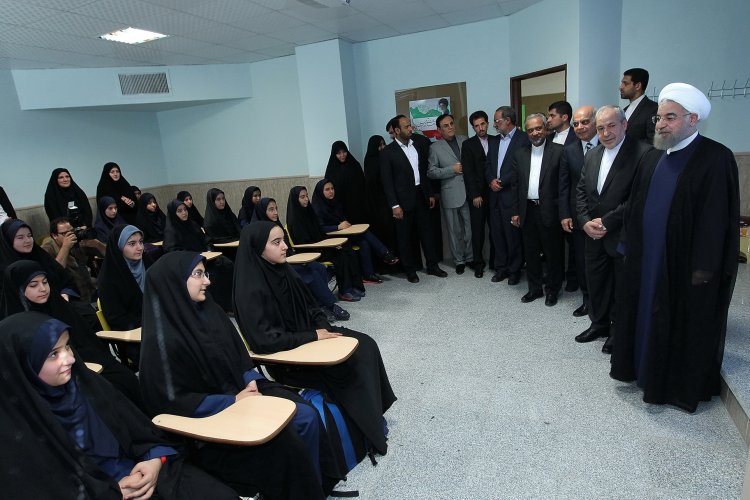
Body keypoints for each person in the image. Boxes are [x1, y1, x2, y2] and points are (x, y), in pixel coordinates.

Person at [139, 252, 345, 498]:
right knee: (286, 442)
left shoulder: (211, 310)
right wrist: (233, 400)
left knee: (306, 416)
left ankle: (317, 486)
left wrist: (250, 379)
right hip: (209, 415)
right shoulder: (160, 341)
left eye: (205, 273)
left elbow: (239, 355)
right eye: (198, 274)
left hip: (244, 388)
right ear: (174, 283)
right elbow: (172, 401)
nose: (208, 281)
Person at [0, 311, 240, 500]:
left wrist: (154, 463)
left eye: (68, 347)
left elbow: (144, 434)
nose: (70, 359)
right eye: (53, 354)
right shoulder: (16, 433)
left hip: (144, 473)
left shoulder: (87, 386)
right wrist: (112, 492)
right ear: (23, 365)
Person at [610, 83, 739, 412]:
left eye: (670, 118)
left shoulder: (715, 157)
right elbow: (635, 206)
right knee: (643, 313)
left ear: (693, 119)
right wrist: (627, 245)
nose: (661, 124)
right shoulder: (652, 156)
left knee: (679, 321)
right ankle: (641, 371)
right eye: (658, 118)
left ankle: (670, 385)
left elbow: (717, 219)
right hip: (646, 258)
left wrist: (704, 266)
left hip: (683, 263)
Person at [233, 221, 397, 460]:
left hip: (311, 337)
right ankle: (368, 430)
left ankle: (373, 413)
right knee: (349, 366)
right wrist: (313, 336)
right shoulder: (249, 289)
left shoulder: (284, 270)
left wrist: (322, 328)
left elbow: (312, 305)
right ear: (258, 248)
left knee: (366, 345)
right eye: (276, 243)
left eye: (283, 240)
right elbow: (264, 342)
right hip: (286, 358)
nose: (285, 247)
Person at [1, 260, 141, 405]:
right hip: (57, 379)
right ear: (17, 289)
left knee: (125, 380)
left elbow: (87, 343)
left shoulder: (59, 306)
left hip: (84, 363)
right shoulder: (14, 327)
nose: (43, 289)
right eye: (33, 285)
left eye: (45, 282)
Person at [574, 105, 652, 353]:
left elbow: (637, 198)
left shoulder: (643, 153)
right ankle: (598, 324)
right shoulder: (592, 154)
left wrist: (606, 222)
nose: (606, 133)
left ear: (624, 125)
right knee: (596, 282)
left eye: (611, 126)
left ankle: (618, 332)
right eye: (600, 128)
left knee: (621, 286)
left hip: (621, 234)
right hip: (592, 233)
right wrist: (584, 221)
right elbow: (581, 191)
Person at [252, 195, 349, 321]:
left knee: (318, 267)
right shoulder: (258, 231)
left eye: (276, 209)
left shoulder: (277, 226)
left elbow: (287, 249)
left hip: (288, 260)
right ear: (262, 212)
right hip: (273, 266)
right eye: (271, 209)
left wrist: (296, 259)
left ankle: (320, 304)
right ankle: (329, 305)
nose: (275, 212)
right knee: (310, 274)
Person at [380, 115, 447, 283]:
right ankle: (410, 270)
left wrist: (429, 193)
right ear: (397, 131)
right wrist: (394, 205)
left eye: (410, 125)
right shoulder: (387, 152)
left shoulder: (418, 144)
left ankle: (432, 266)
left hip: (421, 196)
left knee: (427, 233)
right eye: (406, 127)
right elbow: (387, 182)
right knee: (405, 237)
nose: (411, 129)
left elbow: (423, 172)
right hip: (402, 201)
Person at [509, 113, 565, 306]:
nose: (535, 133)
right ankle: (534, 289)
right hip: (528, 211)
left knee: (553, 253)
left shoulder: (559, 151)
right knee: (530, 253)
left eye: (538, 128)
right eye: (531, 130)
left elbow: (563, 186)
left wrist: (563, 214)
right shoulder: (519, 154)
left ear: (546, 129)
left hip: (550, 210)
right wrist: (515, 211)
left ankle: (552, 290)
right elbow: (515, 186)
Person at [286, 185, 365, 302]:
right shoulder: (295, 218)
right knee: (340, 255)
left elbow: (319, 233)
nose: (306, 199)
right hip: (308, 251)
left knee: (347, 249)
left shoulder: (309, 212)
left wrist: (332, 244)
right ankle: (344, 291)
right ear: (295, 199)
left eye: (307, 196)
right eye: (302, 197)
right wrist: (328, 246)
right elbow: (304, 242)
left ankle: (355, 286)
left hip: (320, 246)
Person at [311, 179, 398, 283]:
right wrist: (338, 227)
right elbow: (319, 229)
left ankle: (368, 275)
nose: (331, 191)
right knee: (365, 234)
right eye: (327, 189)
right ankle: (385, 254)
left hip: (342, 235)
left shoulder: (335, 203)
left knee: (364, 242)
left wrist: (344, 224)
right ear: (320, 192)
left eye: (332, 188)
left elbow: (342, 219)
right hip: (329, 240)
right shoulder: (317, 208)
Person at [559, 105, 598, 318]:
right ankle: (587, 300)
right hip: (578, 216)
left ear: (595, 122)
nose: (580, 127)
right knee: (582, 262)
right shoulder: (569, 150)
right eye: (576, 124)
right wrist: (565, 214)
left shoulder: (608, 144)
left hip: (605, 216)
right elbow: (564, 185)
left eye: (585, 122)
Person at [485, 106, 530, 284]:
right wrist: (491, 180)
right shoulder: (494, 141)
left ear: (508, 120)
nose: (494, 124)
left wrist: (502, 181)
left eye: (497, 121)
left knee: (513, 237)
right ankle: (501, 268)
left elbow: (523, 167)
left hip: (511, 195)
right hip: (494, 196)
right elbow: (488, 164)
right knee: (497, 235)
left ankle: (514, 270)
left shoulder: (523, 139)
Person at [163, 199, 234, 311]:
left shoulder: (193, 224)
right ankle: (217, 307)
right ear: (173, 214)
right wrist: (195, 258)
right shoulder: (171, 232)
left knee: (227, 264)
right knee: (213, 275)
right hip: (191, 265)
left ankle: (231, 303)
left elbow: (206, 240)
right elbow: (173, 253)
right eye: (179, 211)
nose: (184, 213)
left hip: (206, 258)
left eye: (185, 209)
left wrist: (209, 249)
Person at [427, 113, 473, 274]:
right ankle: (459, 260)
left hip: (468, 192)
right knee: (454, 231)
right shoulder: (434, 148)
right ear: (439, 130)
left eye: (451, 123)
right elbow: (431, 172)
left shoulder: (465, 140)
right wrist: (451, 170)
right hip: (450, 194)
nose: (450, 127)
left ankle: (470, 258)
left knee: (469, 229)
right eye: (445, 126)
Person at [1, 218, 78, 299]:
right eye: (20, 237)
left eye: (29, 236)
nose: (27, 240)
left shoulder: (40, 256)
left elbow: (64, 278)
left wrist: (65, 294)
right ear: (8, 240)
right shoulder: (4, 270)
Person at [41, 217, 103, 304]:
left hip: (89, 291)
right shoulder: (47, 249)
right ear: (54, 236)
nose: (71, 235)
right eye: (65, 233)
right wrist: (66, 247)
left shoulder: (78, 241)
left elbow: (109, 254)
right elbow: (55, 273)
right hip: (71, 298)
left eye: (72, 231)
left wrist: (97, 244)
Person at [461, 110, 493, 278]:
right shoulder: (468, 144)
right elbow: (468, 172)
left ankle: (495, 262)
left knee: (496, 230)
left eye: (482, 124)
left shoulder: (496, 140)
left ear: (487, 123)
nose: (480, 128)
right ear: (473, 128)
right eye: (476, 126)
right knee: (477, 231)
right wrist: (474, 194)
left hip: (495, 194)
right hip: (478, 196)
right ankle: (478, 264)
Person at [97, 225, 145, 332]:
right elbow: (117, 320)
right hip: (134, 332)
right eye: (132, 244)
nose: (140, 248)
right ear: (119, 246)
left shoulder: (148, 263)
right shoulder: (108, 279)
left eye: (141, 242)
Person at [363, 135, 397, 253]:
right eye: (379, 145)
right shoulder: (371, 162)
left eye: (383, 144)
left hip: (390, 201)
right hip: (379, 204)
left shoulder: (387, 159)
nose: (382, 147)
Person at [324, 141, 369, 224]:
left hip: (357, 205)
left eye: (344, 152)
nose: (342, 155)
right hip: (340, 206)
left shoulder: (354, 165)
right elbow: (328, 188)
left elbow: (363, 185)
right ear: (334, 154)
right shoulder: (331, 169)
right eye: (339, 153)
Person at [620, 67, 658, 144]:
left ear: (637, 86)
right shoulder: (624, 110)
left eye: (625, 84)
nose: (621, 87)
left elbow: (653, 141)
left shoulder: (653, 109)